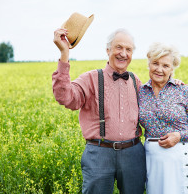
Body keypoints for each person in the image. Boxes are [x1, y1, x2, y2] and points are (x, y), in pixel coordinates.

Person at [52, 28, 146, 194]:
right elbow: (65, 97)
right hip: (99, 153)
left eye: (128, 49)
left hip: (133, 153)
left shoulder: (135, 80)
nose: (123, 53)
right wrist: (64, 53)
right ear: (108, 50)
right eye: (118, 47)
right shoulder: (91, 78)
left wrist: (173, 82)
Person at [138, 42, 188, 194]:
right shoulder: (141, 92)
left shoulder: (182, 90)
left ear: (172, 68)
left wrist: (179, 136)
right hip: (153, 160)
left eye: (165, 65)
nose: (159, 69)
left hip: (182, 156)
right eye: (155, 63)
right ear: (148, 64)